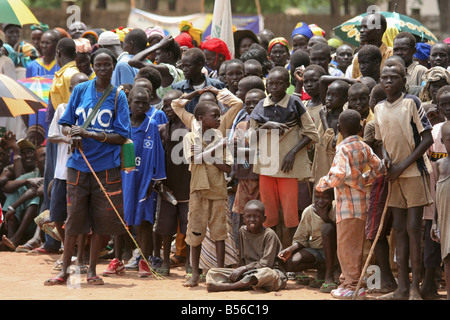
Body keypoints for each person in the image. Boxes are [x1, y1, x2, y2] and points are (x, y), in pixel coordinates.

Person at [44, 48, 131, 286]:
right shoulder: (81, 90)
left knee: (102, 220)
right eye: (98, 65)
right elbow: (65, 124)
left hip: (106, 167)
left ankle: (92, 270)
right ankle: (65, 270)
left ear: (113, 67)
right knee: (74, 219)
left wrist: (89, 133)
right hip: (77, 165)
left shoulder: (118, 96)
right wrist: (72, 134)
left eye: (107, 65)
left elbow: (123, 135)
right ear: (92, 67)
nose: (103, 69)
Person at [171, 86, 244, 287]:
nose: (220, 118)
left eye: (220, 115)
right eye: (215, 115)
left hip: (218, 191)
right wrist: (214, 152)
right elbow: (193, 159)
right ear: (201, 118)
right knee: (195, 232)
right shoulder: (190, 136)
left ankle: (218, 272)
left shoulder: (219, 136)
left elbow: (227, 167)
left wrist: (208, 154)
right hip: (198, 191)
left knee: (220, 233)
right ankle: (195, 273)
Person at [374, 59, 434, 300]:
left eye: (394, 77)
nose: (389, 81)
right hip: (393, 176)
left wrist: (401, 166)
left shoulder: (412, 103)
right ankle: (400, 288)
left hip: (413, 173)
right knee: (398, 228)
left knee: (412, 228)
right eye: (385, 78)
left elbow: (427, 139)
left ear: (404, 81)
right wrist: (387, 160)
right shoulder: (378, 107)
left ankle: (414, 288)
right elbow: (381, 142)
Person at [316, 109, 386, 299]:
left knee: (347, 247)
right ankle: (354, 282)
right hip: (362, 204)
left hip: (347, 207)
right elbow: (380, 167)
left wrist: (322, 184)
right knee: (357, 246)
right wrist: (363, 179)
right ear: (361, 127)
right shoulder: (364, 147)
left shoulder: (343, 149)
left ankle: (351, 285)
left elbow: (338, 174)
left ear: (339, 128)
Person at [250, 67, 319, 245]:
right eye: (271, 83)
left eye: (280, 83)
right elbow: (250, 138)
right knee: (269, 214)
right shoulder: (260, 106)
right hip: (266, 168)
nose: (275, 86)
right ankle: (271, 253)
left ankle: (290, 254)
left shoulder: (295, 103)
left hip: (288, 169)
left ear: (287, 84)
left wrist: (293, 152)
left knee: (290, 215)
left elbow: (312, 134)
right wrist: (266, 126)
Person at [122, 86, 166, 278]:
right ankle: (119, 258)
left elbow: (158, 156)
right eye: (136, 102)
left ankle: (144, 260)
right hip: (124, 178)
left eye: (144, 102)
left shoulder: (152, 126)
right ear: (129, 103)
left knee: (145, 220)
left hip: (144, 181)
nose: (140, 105)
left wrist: (154, 180)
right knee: (121, 219)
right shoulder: (122, 125)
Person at [47, 72, 90, 271]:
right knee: (57, 213)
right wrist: (69, 138)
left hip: (82, 170)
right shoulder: (63, 109)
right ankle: (67, 251)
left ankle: (80, 257)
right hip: (62, 171)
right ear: (71, 90)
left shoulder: (91, 112)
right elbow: (53, 135)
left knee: (79, 216)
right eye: (76, 88)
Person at [205, 200, 287, 293]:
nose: (252, 219)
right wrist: (240, 271)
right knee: (213, 272)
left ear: (264, 219)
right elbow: (242, 258)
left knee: (264, 273)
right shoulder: (242, 231)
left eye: (256, 216)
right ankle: (245, 283)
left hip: (271, 274)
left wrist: (244, 268)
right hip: (248, 272)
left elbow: (266, 264)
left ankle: (229, 287)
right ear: (244, 219)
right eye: (248, 216)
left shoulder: (269, 235)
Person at [155, 89, 191, 276]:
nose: (168, 109)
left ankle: (190, 264)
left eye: (172, 105)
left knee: (189, 227)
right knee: (166, 226)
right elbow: (157, 158)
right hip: (168, 186)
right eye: (165, 105)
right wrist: (159, 182)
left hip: (188, 184)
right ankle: (166, 263)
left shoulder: (191, 128)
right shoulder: (162, 129)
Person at [278, 188, 337, 292]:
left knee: (326, 228)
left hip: (335, 251)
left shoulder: (337, 208)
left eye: (325, 198)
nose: (320, 201)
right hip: (315, 250)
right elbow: (301, 239)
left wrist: (325, 218)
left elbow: (342, 233)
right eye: (317, 197)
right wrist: (290, 250)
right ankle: (321, 267)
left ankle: (329, 275)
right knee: (290, 263)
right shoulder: (309, 211)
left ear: (332, 198)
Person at [1, 145, 46, 251]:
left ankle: (16, 239)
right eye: (43, 156)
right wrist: (27, 181)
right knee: (15, 193)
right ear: (36, 163)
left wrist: (13, 207)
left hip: (43, 222)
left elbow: (37, 191)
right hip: (26, 221)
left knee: (36, 198)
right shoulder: (34, 174)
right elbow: (6, 186)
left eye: (48, 155)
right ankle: (10, 237)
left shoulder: (56, 174)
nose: (47, 158)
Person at [171, 47, 225, 114]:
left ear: (200, 65)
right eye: (183, 66)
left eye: (188, 66)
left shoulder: (217, 85)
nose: (184, 70)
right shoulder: (178, 88)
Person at [431, 120, 450, 300]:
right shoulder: (440, 164)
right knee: (447, 257)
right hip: (445, 218)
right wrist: (434, 221)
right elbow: (436, 193)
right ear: (442, 142)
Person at [351, 12, 393, 80]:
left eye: (366, 27)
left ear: (379, 30)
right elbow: (354, 84)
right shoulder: (358, 58)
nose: (361, 31)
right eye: (361, 27)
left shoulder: (391, 55)